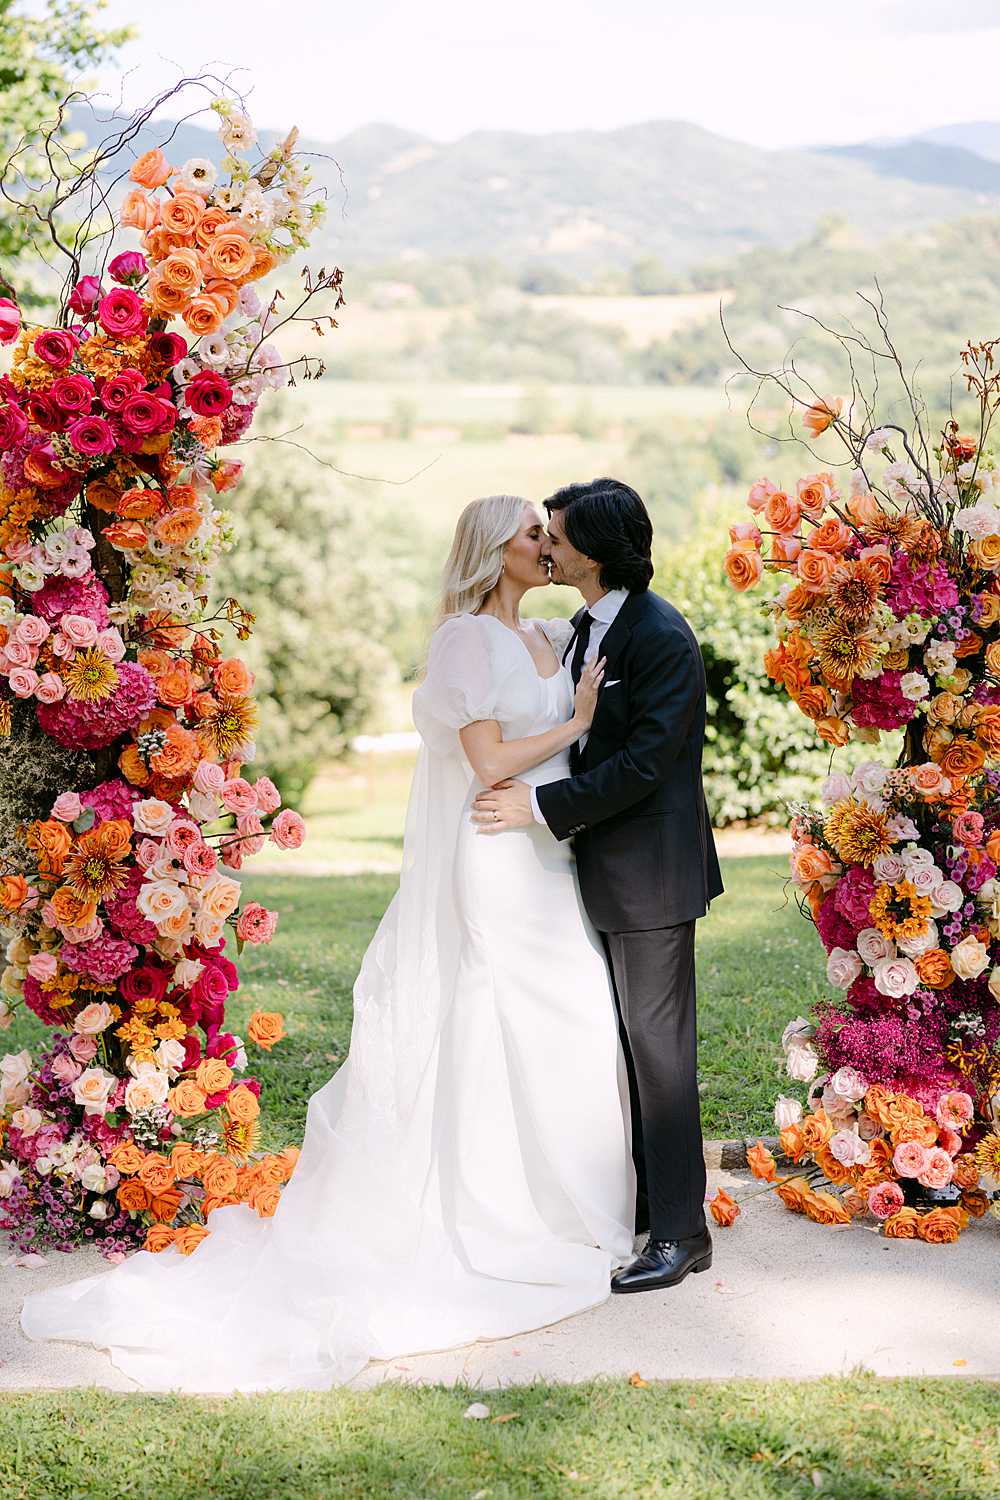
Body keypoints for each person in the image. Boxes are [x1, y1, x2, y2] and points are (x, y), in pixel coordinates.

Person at [19, 494, 636, 1393]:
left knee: (567, 1014)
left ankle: (566, 1200)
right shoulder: (464, 639)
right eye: (533, 533)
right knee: (495, 1011)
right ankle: (496, 1212)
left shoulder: (548, 634)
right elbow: (489, 761)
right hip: (494, 853)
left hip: (543, 855)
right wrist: (575, 724)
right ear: (490, 549)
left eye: (549, 532)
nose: (550, 543)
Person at [473, 477, 723, 1293]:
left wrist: (543, 805)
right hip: (602, 872)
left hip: (651, 879)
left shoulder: (659, 636)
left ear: (595, 550)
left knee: (659, 1056)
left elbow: (647, 765)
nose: (546, 544)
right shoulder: (589, 625)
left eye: (556, 534)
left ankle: (682, 1236)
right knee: (625, 1046)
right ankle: (652, 1205)